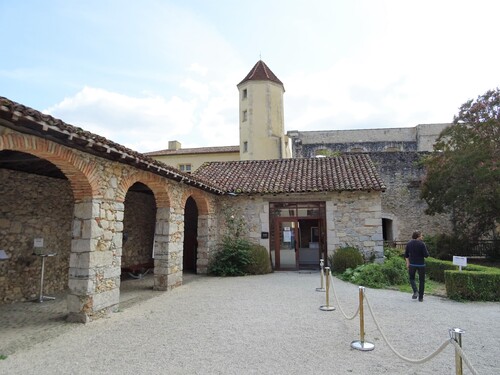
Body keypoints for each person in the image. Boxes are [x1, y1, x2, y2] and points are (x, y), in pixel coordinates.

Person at [404, 230, 430, 302]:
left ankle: (415, 291)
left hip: (412, 264)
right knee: (422, 281)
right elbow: (426, 255)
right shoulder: (422, 244)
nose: (422, 237)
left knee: (411, 278)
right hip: (421, 265)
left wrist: (407, 263)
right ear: (418, 236)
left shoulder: (409, 243)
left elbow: (406, 255)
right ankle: (421, 298)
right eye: (421, 235)